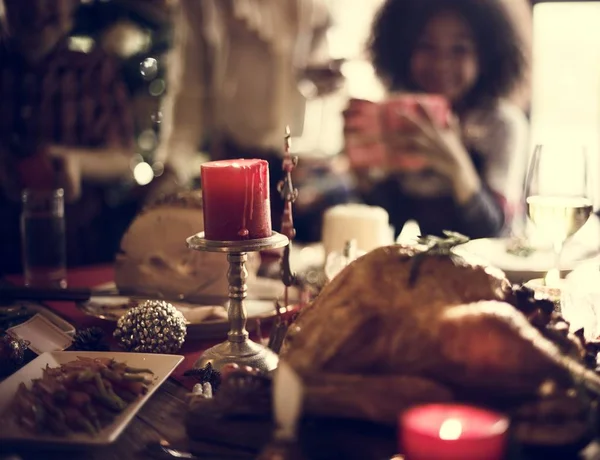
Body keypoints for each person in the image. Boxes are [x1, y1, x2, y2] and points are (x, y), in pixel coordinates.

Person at [158, 0, 355, 240]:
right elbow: (189, 86)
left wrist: (331, 82)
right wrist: (173, 163)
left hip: (308, 168)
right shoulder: (206, 5)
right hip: (236, 166)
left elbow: (326, 65)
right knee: (237, 266)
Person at [344, 0, 529, 239]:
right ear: (404, 50)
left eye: (459, 49)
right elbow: (391, 220)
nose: (441, 63)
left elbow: (493, 231)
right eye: (427, 46)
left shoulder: (502, 125)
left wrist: (455, 163)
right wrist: (363, 176)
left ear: (485, 57)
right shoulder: (397, 118)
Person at [0, 0, 160, 274]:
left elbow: (123, 158)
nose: (37, 9)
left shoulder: (94, 69)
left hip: (81, 245)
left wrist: (75, 162)